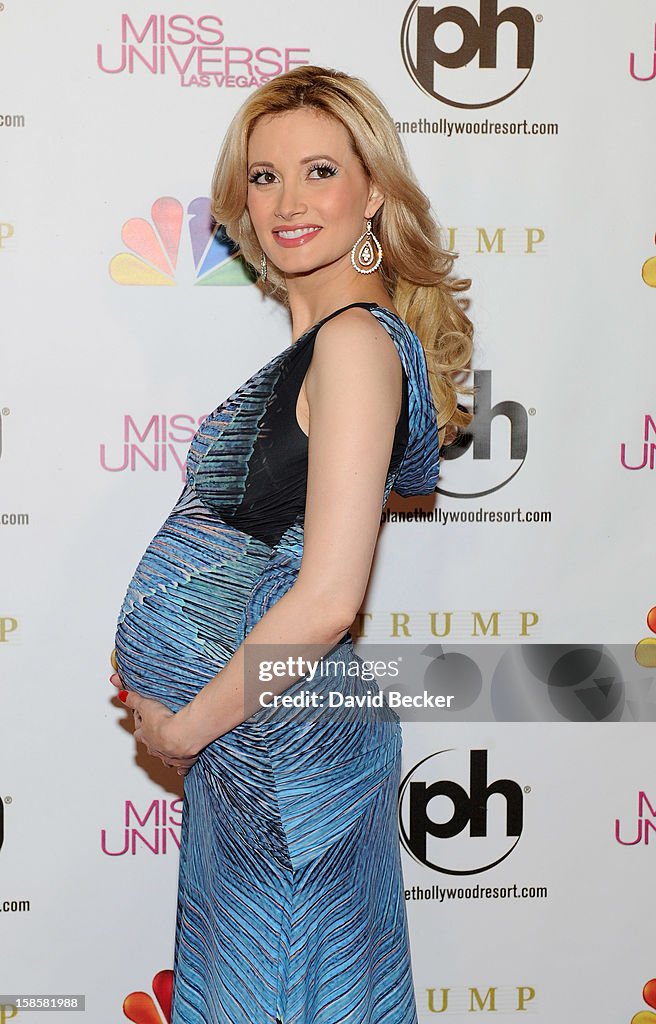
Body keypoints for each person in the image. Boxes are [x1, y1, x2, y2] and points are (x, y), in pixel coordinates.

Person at [110, 65, 473, 1024]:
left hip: (278, 759)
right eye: (263, 177)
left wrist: (186, 730)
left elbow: (325, 601)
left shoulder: (355, 343)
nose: (287, 201)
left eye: (319, 170)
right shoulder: (326, 345)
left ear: (375, 195)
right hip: (261, 755)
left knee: (278, 994)